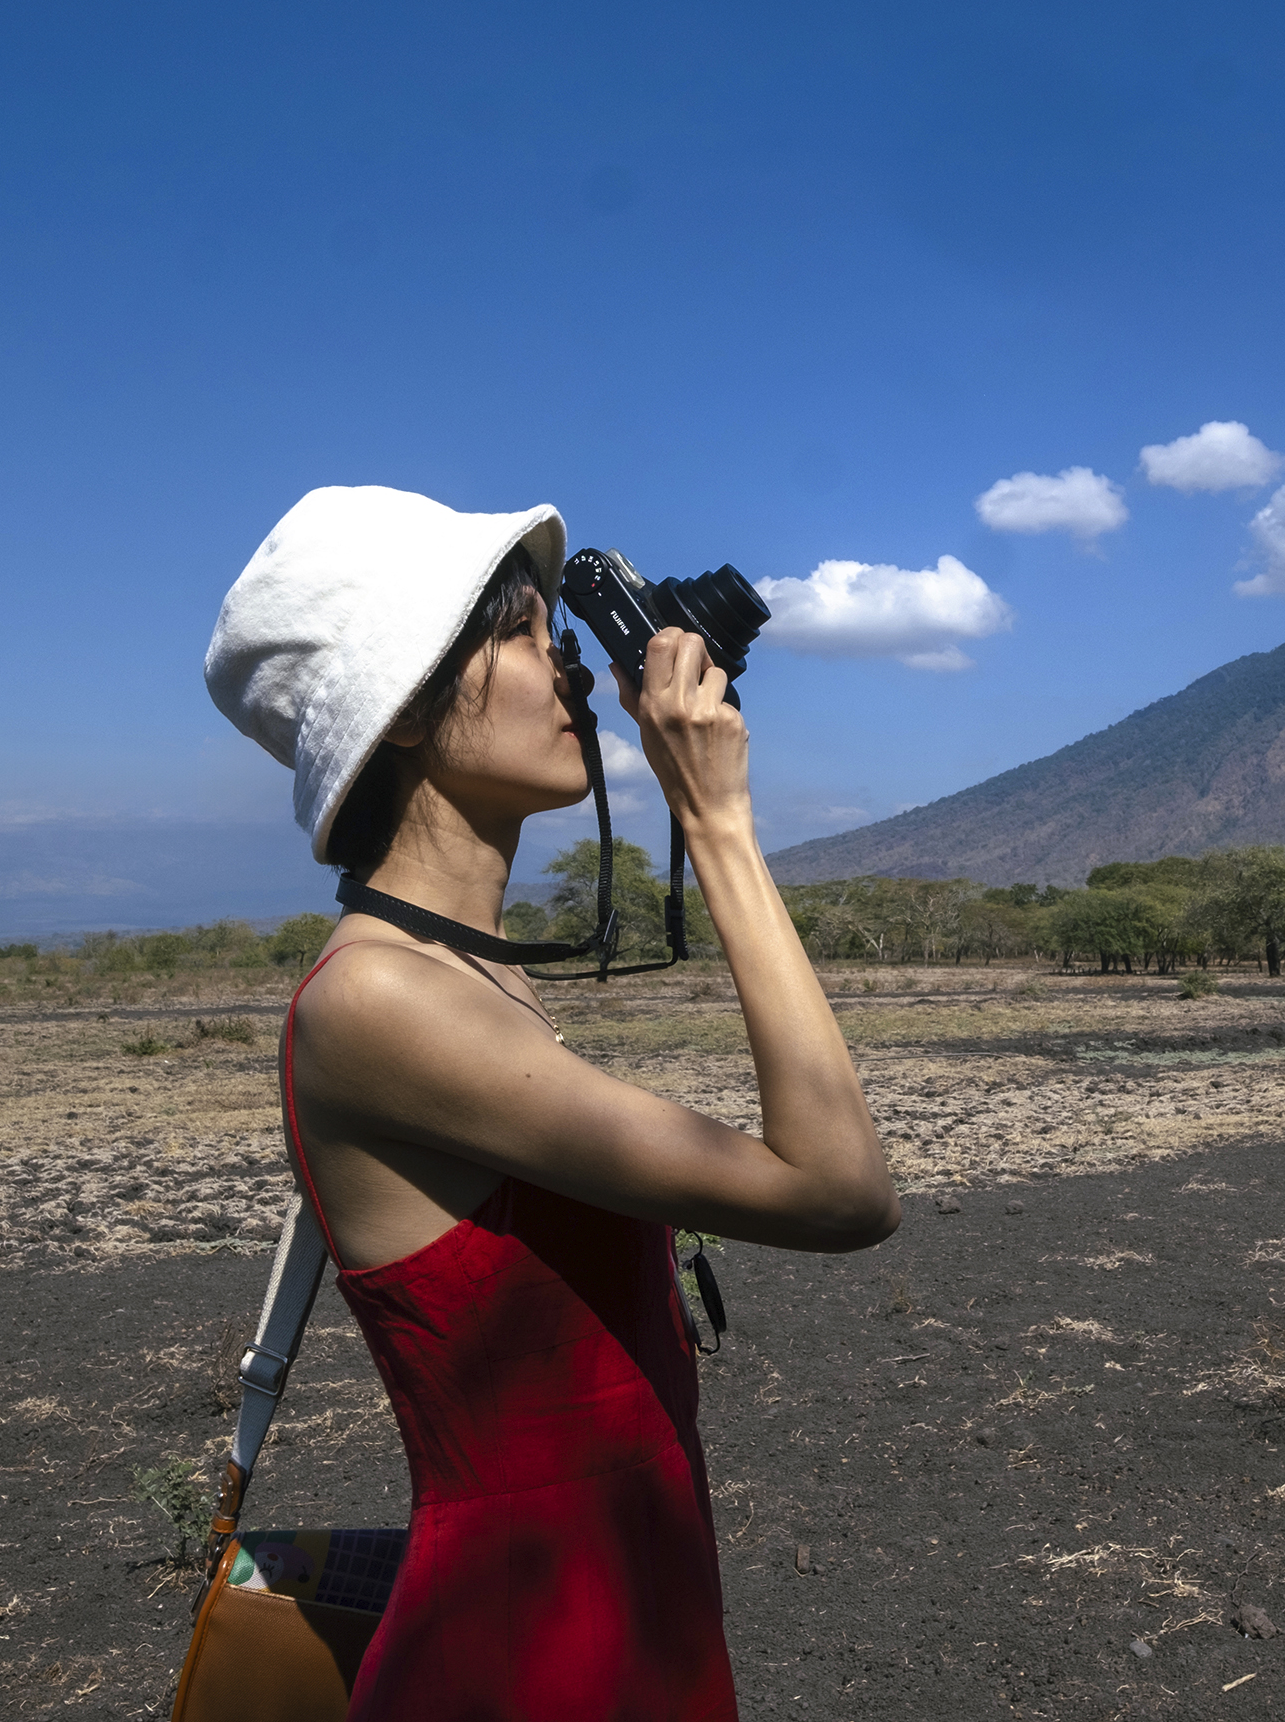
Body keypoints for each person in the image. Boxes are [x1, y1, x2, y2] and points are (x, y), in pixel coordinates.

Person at [206, 486, 898, 1720]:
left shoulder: (468, 977)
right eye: (527, 637)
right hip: (525, 1658)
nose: (575, 671)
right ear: (402, 707)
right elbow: (839, 1189)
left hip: (628, 1619)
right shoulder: (378, 998)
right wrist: (716, 822)